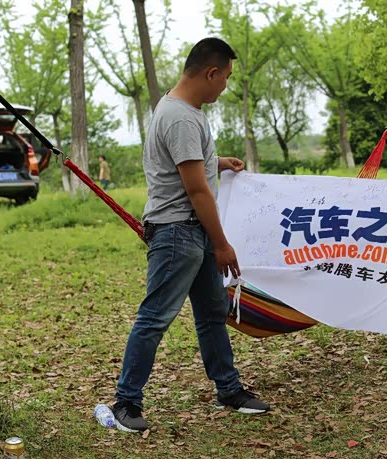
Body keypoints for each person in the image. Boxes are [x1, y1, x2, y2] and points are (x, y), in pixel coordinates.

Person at [112, 37, 270, 433]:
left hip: (190, 233)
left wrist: (217, 162)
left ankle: (228, 390)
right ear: (210, 73)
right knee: (154, 318)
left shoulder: (182, 110)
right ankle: (126, 402)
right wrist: (222, 244)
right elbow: (196, 190)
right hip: (177, 234)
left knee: (212, 314)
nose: (226, 86)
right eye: (226, 77)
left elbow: (188, 167)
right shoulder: (181, 117)